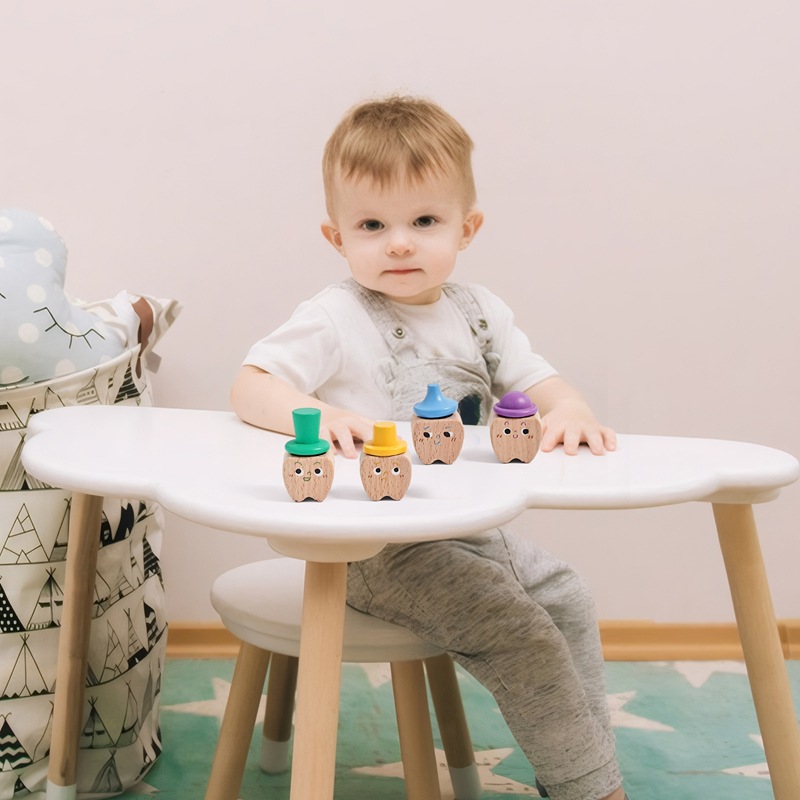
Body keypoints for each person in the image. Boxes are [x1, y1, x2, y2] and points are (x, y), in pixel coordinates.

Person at [231, 94, 627, 800]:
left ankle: (574, 765)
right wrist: (312, 413)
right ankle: (592, 789)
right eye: (373, 225)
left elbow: (538, 380)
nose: (400, 243)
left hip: (473, 533)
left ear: (466, 228)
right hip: (375, 551)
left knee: (567, 594)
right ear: (337, 237)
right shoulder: (334, 316)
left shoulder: (481, 313)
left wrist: (569, 407)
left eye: (423, 221)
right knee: (518, 630)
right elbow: (251, 384)